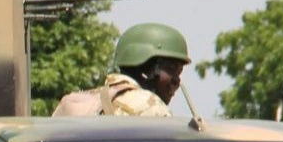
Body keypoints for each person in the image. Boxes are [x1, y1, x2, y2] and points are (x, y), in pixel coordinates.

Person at [53, 23, 191, 117]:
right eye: (171, 70)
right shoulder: (151, 106)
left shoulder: (83, 102)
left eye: (179, 73)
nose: (177, 81)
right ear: (147, 69)